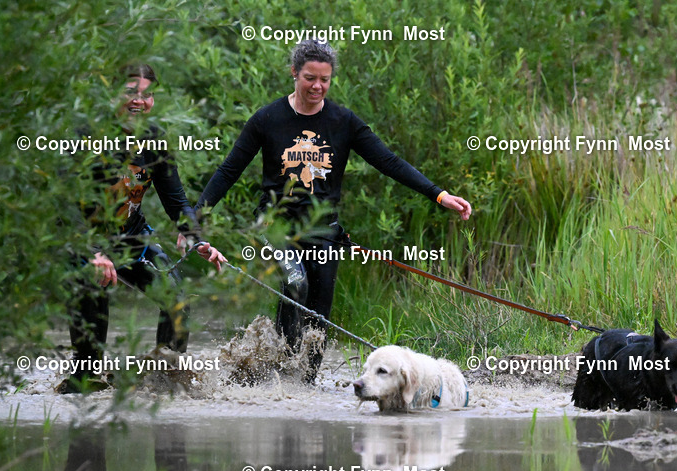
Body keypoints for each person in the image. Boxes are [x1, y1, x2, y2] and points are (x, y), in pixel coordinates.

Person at [195, 39, 472, 385]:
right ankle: (280, 374)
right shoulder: (267, 119)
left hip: (324, 230)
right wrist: (194, 217)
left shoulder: (343, 121)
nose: (317, 86)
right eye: (310, 77)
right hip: (277, 226)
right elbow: (228, 170)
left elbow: (387, 161)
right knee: (296, 283)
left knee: (319, 312)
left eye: (325, 79)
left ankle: (304, 384)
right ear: (294, 73)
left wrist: (438, 194)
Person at [59, 64, 226, 394]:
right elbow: (63, 204)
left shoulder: (154, 140)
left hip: (131, 237)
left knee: (177, 295)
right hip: (82, 240)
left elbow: (176, 200)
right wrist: (93, 254)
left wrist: (198, 240)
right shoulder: (84, 134)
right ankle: (84, 380)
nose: (139, 101)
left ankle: (166, 381)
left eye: (146, 94)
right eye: (130, 92)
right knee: (93, 293)